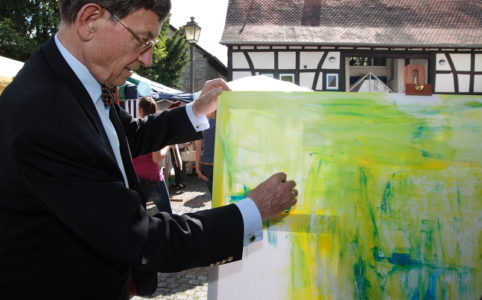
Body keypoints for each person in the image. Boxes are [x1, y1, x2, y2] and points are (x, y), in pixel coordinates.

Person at [0, 1, 298, 299]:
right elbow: (141, 238)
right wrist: (252, 211)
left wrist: (195, 110)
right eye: (143, 39)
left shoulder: (73, 81)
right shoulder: (47, 116)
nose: (148, 58)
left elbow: (128, 136)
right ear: (90, 20)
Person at [133, 96, 172, 213]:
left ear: (140, 109)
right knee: (168, 215)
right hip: (152, 179)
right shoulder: (155, 129)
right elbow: (157, 158)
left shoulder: (133, 127)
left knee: (138, 216)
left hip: (136, 178)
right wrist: (168, 145)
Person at [195, 110, 216, 195]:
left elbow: (198, 148)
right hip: (221, 166)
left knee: (213, 196)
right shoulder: (224, 123)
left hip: (207, 165)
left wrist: (197, 168)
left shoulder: (203, 125)